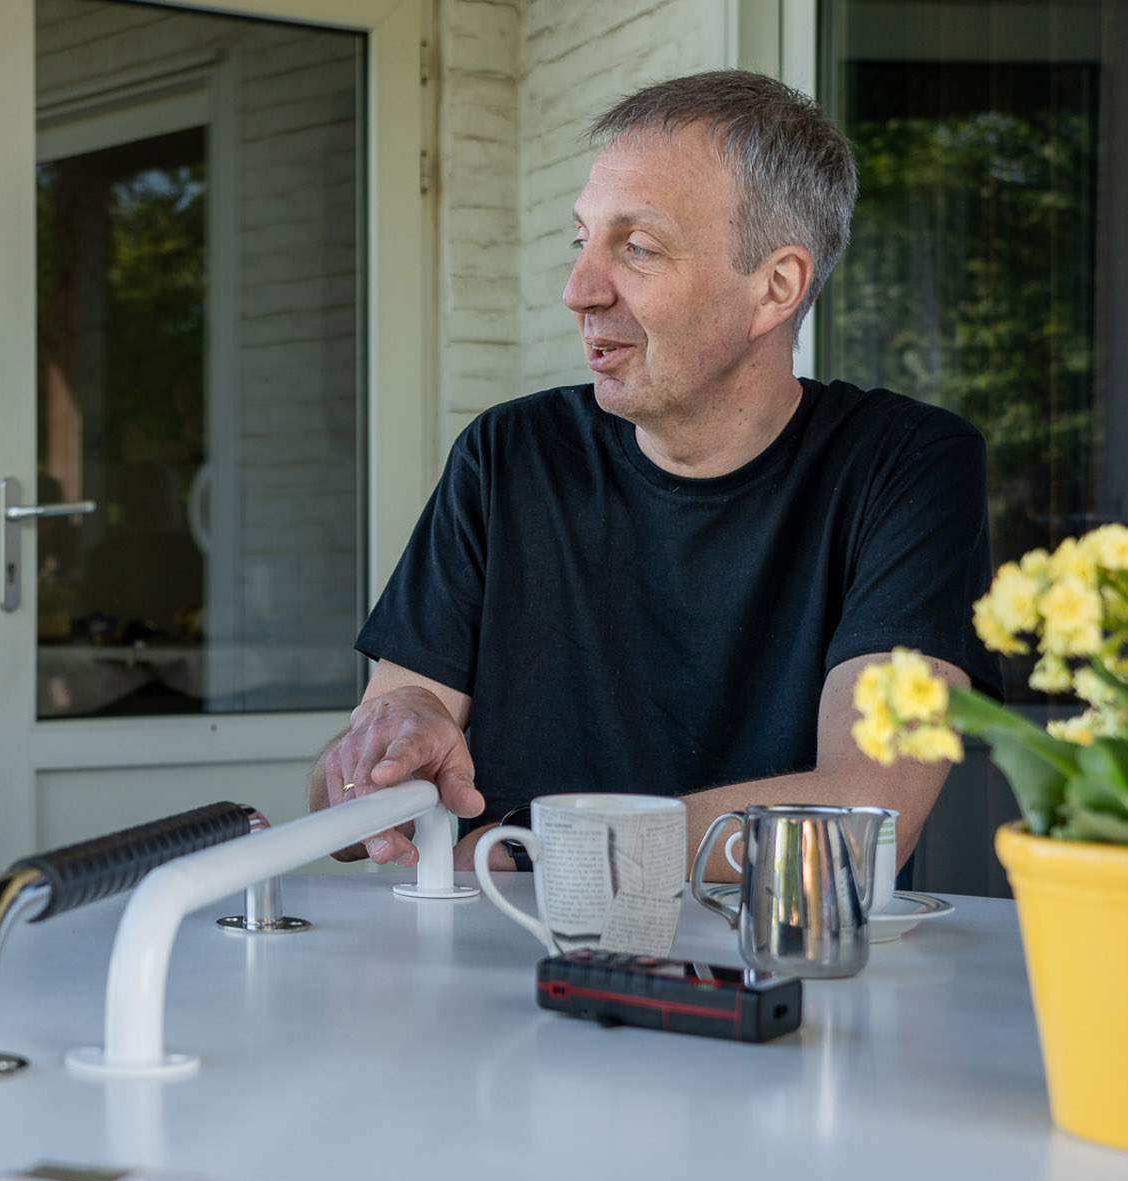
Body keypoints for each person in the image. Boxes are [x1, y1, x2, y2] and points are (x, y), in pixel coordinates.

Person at [313, 71, 997, 874]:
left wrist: (518, 851)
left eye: (637, 248)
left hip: (775, 979)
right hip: (495, 972)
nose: (579, 290)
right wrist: (387, 748)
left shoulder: (906, 465)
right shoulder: (508, 455)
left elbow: (858, 822)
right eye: (583, 241)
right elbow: (360, 782)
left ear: (775, 287)